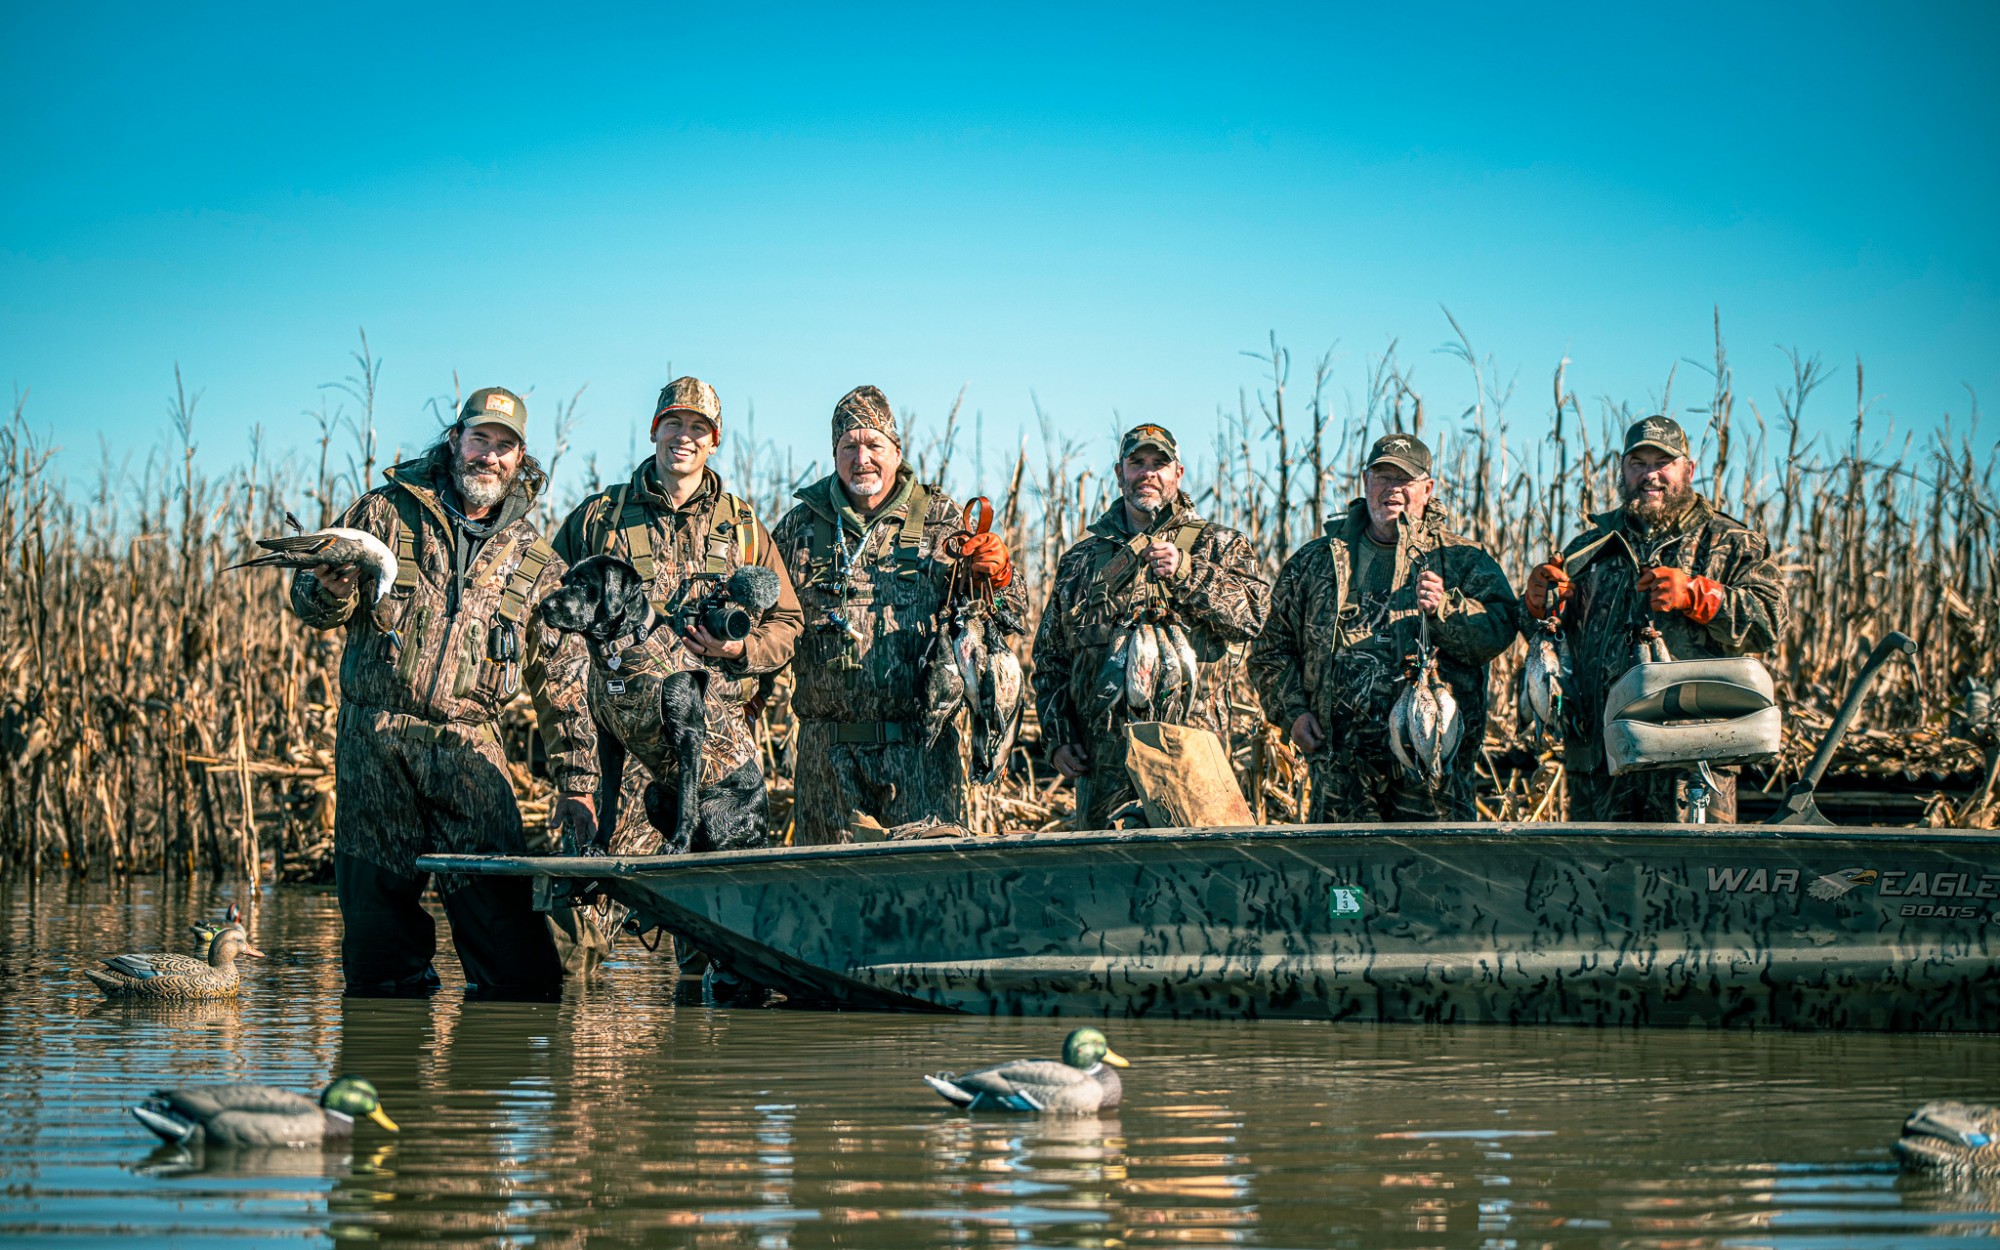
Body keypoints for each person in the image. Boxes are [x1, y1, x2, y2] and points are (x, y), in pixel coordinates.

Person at [290, 387, 596, 997]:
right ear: (455, 440)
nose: (490, 455)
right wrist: (326, 586)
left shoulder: (533, 559)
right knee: (379, 963)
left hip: (469, 752)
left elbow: (564, 679)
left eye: (504, 445)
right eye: (480, 438)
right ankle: (390, 1076)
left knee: (516, 966)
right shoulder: (381, 513)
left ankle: (492, 1070)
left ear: (520, 457)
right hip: (374, 739)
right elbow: (311, 605)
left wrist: (578, 782)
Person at [549, 376, 803, 857]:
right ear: (654, 430)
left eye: (698, 427)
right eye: (673, 423)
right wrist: (577, 767)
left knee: (711, 910)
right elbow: (550, 615)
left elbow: (787, 623)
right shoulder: (599, 518)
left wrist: (739, 648)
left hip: (711, 756)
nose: (684, 436)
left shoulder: (744, 527)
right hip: (617, 756)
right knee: (589, 909)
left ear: (714, 441)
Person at [770, 385, 1021, 843]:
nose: (861, 457)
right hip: (827, 757)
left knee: (926, 894)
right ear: (834, 453)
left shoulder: (940, 519)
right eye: (849, 446)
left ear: (897, 451)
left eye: (874, 445)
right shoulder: (797, 529)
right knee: (828, 899)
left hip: (921, 753)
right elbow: (770, 630)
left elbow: (1010, 617)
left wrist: (1000, 577)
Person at [1523, 415, 1789, 821]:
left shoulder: (1732, 544)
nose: (1650, 475)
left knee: (1693, 879)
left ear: (1689, 469)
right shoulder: (1591, 547)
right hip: (1602, 763)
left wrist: (1698, 595)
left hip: (1694, 762)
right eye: (1638, 463)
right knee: (1598, 881)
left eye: (1662, 462)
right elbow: (1547, 647)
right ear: (1623, 469)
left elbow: (1770, 622)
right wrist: (1538, 606)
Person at [1249, 433, 1518, 821]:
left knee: (1433, 880)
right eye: (1382, 476)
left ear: (1427, 489)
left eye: (1403, 480)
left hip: (1432, 774)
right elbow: (1270, 650)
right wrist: (1291, 712)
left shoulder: (1462, 559)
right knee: (1344, 880)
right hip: (1339, 776)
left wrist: (1445, 608)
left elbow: (1500, 630)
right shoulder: (1316, 561)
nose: (1391, 489)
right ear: (1365, 482)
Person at [1032, 423, 1270, 829]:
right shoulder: (1080, 562)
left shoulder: (1219, 545)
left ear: (1178, 473)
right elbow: (1050, 659)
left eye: (1159, 463)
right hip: (1104, 765)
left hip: (1195, 764)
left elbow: (1253, 616)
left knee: (1195, 882)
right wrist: (1057, 737)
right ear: (1119, 473)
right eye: (1137, 463)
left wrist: (1187, 571)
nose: (1148, 473)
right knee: (1105, 884)